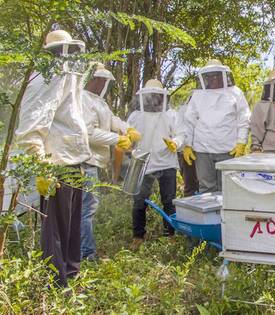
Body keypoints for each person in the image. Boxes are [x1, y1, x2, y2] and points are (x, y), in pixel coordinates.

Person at [15, 30, 91, 287]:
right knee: (55, 231)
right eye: (60, 52)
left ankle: (71, 275)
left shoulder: (67, 80)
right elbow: (29, 129)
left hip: (73, 163)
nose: (65, 57)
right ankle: (55, 283)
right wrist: (41, 165)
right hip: (55, 166)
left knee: (72, 227)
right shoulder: (43, 80)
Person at [81, 63, 141, 260]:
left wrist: (126, 129)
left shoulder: (99, 101)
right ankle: (86, 255)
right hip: (85, 161)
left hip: (94, 162)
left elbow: (112, 119)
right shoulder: (81, 99)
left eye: (104, 81)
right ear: (92, 79)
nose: (103, 84)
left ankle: (84, 252)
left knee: (88, 208)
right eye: (100, 80)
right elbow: (88, 132)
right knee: (86, 209)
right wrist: (117, 139)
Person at [127, 79, 184, 249]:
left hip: (167, 162)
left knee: (169, 201)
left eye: (155, 95)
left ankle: (170, 235)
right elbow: (127, 134)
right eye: (149, 95)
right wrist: (128, 141)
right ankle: (138, 236)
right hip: (143, 162)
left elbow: (181, 133)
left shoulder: (171, 114)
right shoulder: (135, 116)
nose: (152, 99)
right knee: (139, 201)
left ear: (162, 96)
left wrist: (176, 143)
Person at [181, 59, 250, 193]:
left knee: (229, 189)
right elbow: (189, 121)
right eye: (210, 76)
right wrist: (187, 144)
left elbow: (244, 119)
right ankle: (210, 215)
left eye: (216, 75)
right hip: (203, 151)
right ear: (204, 78)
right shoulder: (198, 95)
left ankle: (227, 215)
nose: (213, 79)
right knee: (206, 188)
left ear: (223, 76)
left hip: (228, 150)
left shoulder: (235, 92)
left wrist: (241, 142)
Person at [175, 103, 199, 197]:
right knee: (191, 187)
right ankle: (190, 210)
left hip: (201, 151)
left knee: (202, 186)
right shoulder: (184, 110)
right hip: (186, 152)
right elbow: (182, 132)